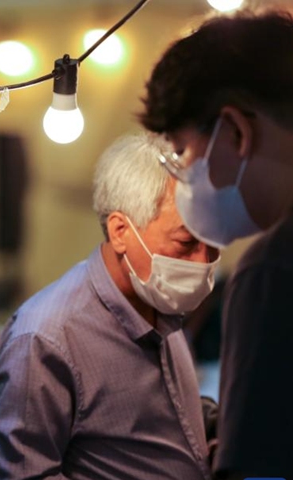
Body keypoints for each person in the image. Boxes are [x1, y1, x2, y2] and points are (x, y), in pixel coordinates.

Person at [0, 133, 221, 480]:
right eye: (186, 243)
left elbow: (154, 422)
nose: (204, 261)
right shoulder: (45, 338)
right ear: (120, 231)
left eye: (213, 243)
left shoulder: (159, 302)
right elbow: (27, 474)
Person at [139, 8, 293, 480]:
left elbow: (257, 472)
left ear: (236, 132)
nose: (181, 175)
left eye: (182, 150)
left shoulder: (273, 272)